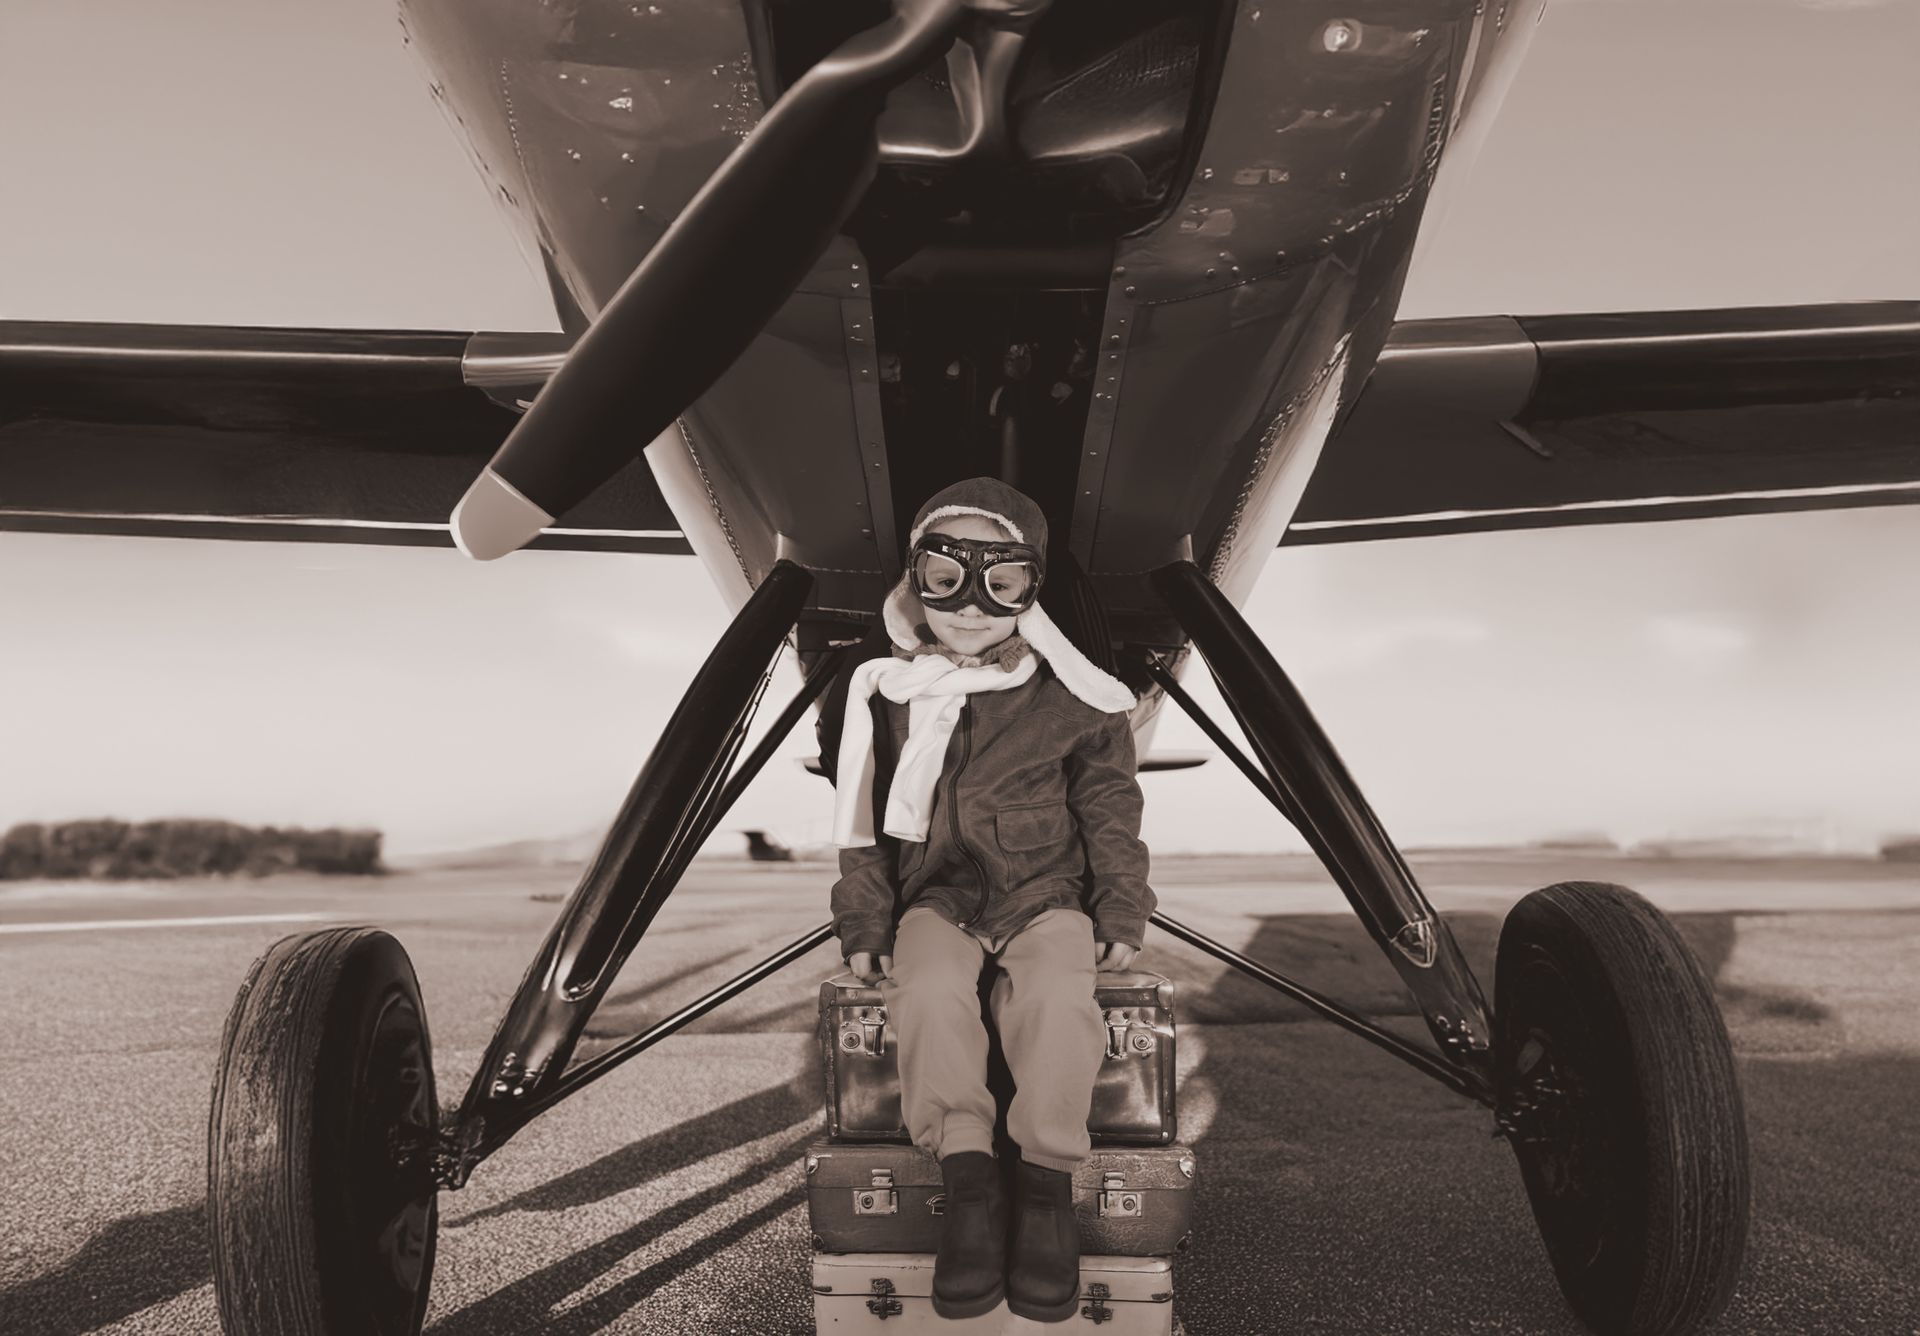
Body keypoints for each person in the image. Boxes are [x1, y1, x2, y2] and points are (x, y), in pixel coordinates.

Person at [822, 476, 1155, 1322]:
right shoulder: (882, 699)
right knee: (927, 991)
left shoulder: (1074, 702)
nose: (971, 606)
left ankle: (1044, 1190)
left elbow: (1110, 811)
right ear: (914, 582)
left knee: (1055, 994)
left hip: (1045, 894)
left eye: (1001, 583)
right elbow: (859, 821)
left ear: (1029, 591)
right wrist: (865, 917)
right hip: (937, 893)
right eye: (945, 577)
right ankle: (969, 1182)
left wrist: (1120, 906)